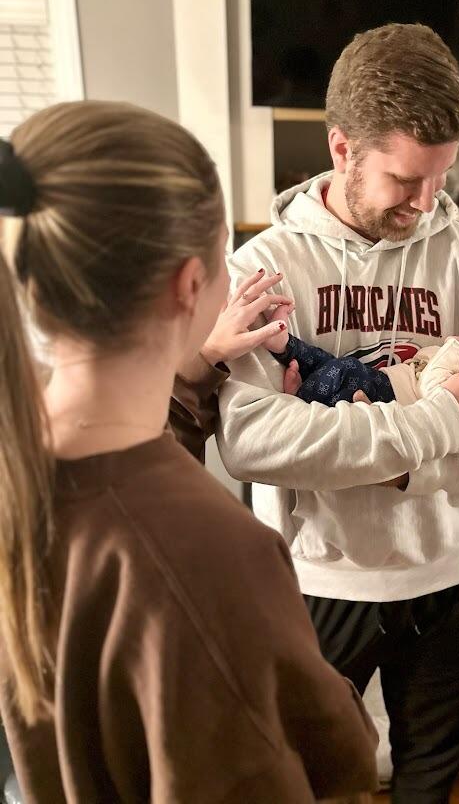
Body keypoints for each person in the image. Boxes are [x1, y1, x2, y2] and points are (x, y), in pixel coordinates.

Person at [174, 24, 459, 803]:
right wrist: (447, 426)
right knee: (309, 779)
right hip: (323, 584)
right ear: (341, 151)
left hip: (458, 576)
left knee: (428, 785)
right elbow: (254, 441)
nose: (427, 205)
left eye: (442, 178)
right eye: (403, 180)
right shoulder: (262, 270)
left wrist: (400, 477)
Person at [0, 101, 379, 804]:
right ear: (189, 284)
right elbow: (332, 763)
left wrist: (197, 363)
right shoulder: (215, 557)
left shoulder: (22, 460)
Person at [264, 320, 459, 413]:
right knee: (329, 364)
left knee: (340, 375)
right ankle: (285, 346)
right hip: (381, 380)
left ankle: (300, 401)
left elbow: (434, 389)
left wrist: (455, 349)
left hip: (386, 396)